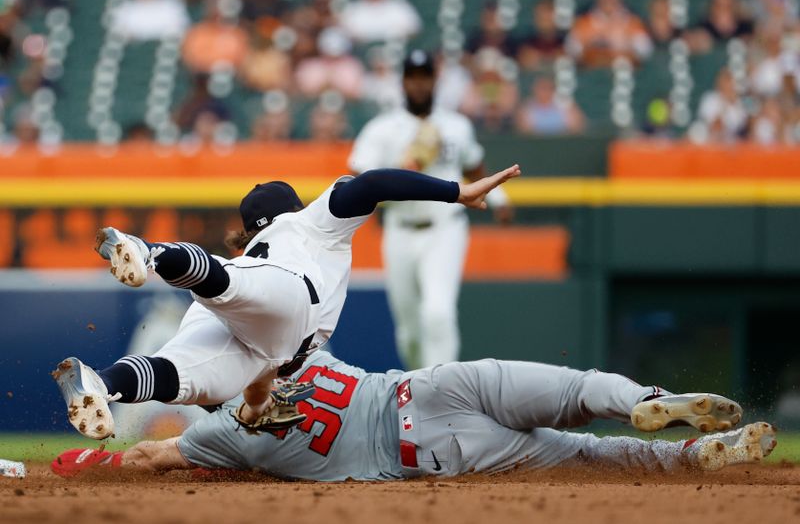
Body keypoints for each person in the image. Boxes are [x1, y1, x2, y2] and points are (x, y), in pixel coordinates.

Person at [53, 164, 521, 440]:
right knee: (229, 297)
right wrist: (456, 191)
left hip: (253, 339)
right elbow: (372, 184)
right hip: (287, 298)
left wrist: (255, 409)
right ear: (293, 208)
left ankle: (103, 383)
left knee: (184, 375)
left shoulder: (252, 249)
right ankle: (149, 252)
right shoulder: (311, 222)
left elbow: (261, 376)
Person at [52, 349, 771, 481]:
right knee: (582, 387)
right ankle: (646, 402)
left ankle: (680, 459)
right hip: (428, 387)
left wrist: (95, 459)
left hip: (424, 451)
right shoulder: (295, 345)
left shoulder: (220, 435)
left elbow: (153, 456)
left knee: (584, 454)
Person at [349, 50, 514, 370]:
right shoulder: (383, 128)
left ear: (434, 81)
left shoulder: (455, 125)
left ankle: (440, 393)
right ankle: (419, 382)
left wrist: (499, 198)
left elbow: (473, 166)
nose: (419, 84)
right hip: (399, 228)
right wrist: (402, 168)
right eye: (413, 77)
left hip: (445, 227)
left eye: (425, 77)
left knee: (438, 313)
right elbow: (359, 178)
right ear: (403, 82)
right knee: (409, 332)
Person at [566, 0, 653, 68]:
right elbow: (572, 50)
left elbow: (645, 51)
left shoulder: (633, 22)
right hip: (592, 73)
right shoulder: (584, 22)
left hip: (623, 71)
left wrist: (618, 53)